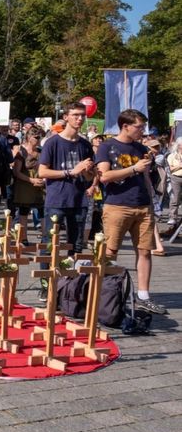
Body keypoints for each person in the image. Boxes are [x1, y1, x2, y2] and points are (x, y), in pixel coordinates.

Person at [95, 109, 167, 315]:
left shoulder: (140, 148)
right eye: (139, 127)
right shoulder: (107, 146)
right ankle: (107, 295)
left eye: (143, 127)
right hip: (117, 205)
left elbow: (145, 177)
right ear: (125, 126)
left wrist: (151, 202)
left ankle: (144, 295)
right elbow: (105, 176)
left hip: (142, 205)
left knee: (144, 251)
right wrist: (134, 169)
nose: (142, 131)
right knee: (110, 251)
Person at [37, 102, 96, 256]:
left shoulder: (85, 145)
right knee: (49, 243)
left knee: (76, 246)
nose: (80, 118)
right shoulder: (53, 143)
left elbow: (89, 176)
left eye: (83, 115)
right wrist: (71, 172)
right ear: (66, 117)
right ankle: (46, 278)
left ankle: (72, 279)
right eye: (75, 115)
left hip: (79, 200)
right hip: (57, 199)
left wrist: (88, 171)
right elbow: (42, 172)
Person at [10, 126, 46, 245]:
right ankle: (23, 238)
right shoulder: (21, 152)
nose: (39, 139)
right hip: (25, 184)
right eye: (36, 137)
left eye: (40, 136)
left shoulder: (41, 151)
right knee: (24, 211)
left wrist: (44, 178)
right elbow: (16, 172)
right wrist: (31, 180)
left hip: (40, 184)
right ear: (29, 137)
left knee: (43, 210)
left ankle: (45, 237)